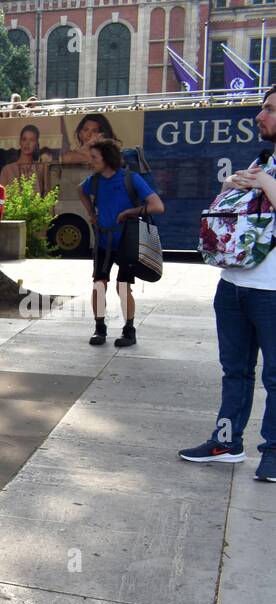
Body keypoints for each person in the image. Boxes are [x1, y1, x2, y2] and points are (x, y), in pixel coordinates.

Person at [179, 86, 276, 482]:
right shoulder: (263, 158)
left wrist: (262, 183)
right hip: (233, 283)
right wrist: (231, 188)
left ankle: (272, 453)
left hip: (271, 290)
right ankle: (226, 441)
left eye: (269, 109)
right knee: (234, 370)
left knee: (275, 376)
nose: (260, 115)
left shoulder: (266, 169)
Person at [79, 137, 164, 348]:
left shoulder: (130, 178)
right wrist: (91, 213)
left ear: (107, 158)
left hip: (127, 242)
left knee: (123, 287)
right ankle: (100, 329)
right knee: (99, 285)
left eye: (94, 157)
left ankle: (129, 330)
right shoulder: (94, 181)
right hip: (102, 241)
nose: (90, 161)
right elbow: (81, 190)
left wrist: (129, 212)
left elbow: (157, 206)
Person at [0, 123, 49, 194]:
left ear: (36, 144)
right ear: (20, 141)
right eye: (24, 139)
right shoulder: (7, 170)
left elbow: (48, 196)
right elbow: (1, 199)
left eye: (31, 140)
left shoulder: (42, 168)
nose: (27, 143)